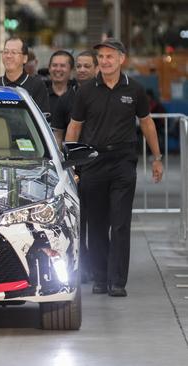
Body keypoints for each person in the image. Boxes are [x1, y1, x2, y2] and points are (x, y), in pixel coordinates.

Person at [65, 38, 163, 297]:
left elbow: (147, 123)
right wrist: (69, 163)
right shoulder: (86, 91)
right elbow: (74, 127)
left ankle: (117, 281)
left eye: (110, 56)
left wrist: (157, 157)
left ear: (122, 59)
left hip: (123, 162)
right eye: (102, 57)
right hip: (93, 162)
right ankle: (100, 277)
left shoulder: (136, 90)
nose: (105, 61)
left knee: (120, 223)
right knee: (96, 224)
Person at [0, 37, 50, 114]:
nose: (8, 56)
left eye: (13, 52)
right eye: (5, 52)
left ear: (25, 58)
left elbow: (42, 118)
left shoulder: (37, 86)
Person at [52, 50, 98, 145]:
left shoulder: (104, 94)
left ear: (97, 68)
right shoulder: (65, 99)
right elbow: (58, 134)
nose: (81, 70)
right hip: (75, 155)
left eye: (87, 66)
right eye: (78, 66)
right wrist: (60, 158)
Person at [46, 50, 75, 122]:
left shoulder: (78, 96)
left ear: (71, 70)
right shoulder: (41, 95)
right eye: (54, 65)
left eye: (62, 66)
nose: (58, 69)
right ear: (49, 69)